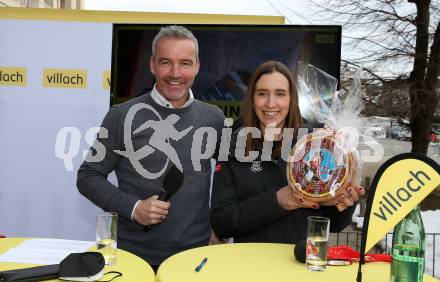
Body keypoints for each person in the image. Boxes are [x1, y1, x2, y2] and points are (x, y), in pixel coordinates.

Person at [77, 25, 224, 269]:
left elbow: (227, 178)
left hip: (195, 261)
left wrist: (219, 230)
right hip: (135, 260)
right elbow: (88, 176)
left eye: (185, 63)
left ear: (197, 66)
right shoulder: (121, 116)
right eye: (166, 62)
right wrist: (134, 208)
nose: (175, 73)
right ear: (152, 65)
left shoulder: (213, 118)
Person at [211, 60, 364, 244]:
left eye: (280, 94)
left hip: (300, 264)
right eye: (262, 94)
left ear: (292, 99)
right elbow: (221, 223)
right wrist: (280, 200)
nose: (270, 103)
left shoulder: (316, 145)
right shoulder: (232, 145)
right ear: (252, 98)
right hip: (249, 266)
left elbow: (336, 224)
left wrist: (344, 202)